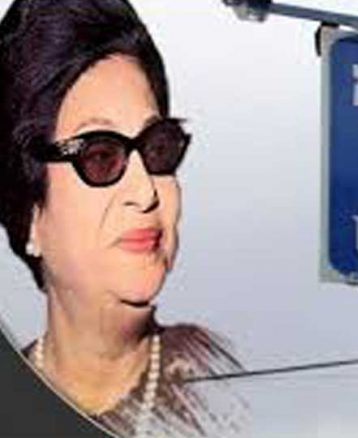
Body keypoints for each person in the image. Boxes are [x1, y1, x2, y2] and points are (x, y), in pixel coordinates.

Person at [0, 0, 248, 436]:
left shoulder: (233, 390)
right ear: (31, 212)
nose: (145, 191)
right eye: (101, 156)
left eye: (158, 148)